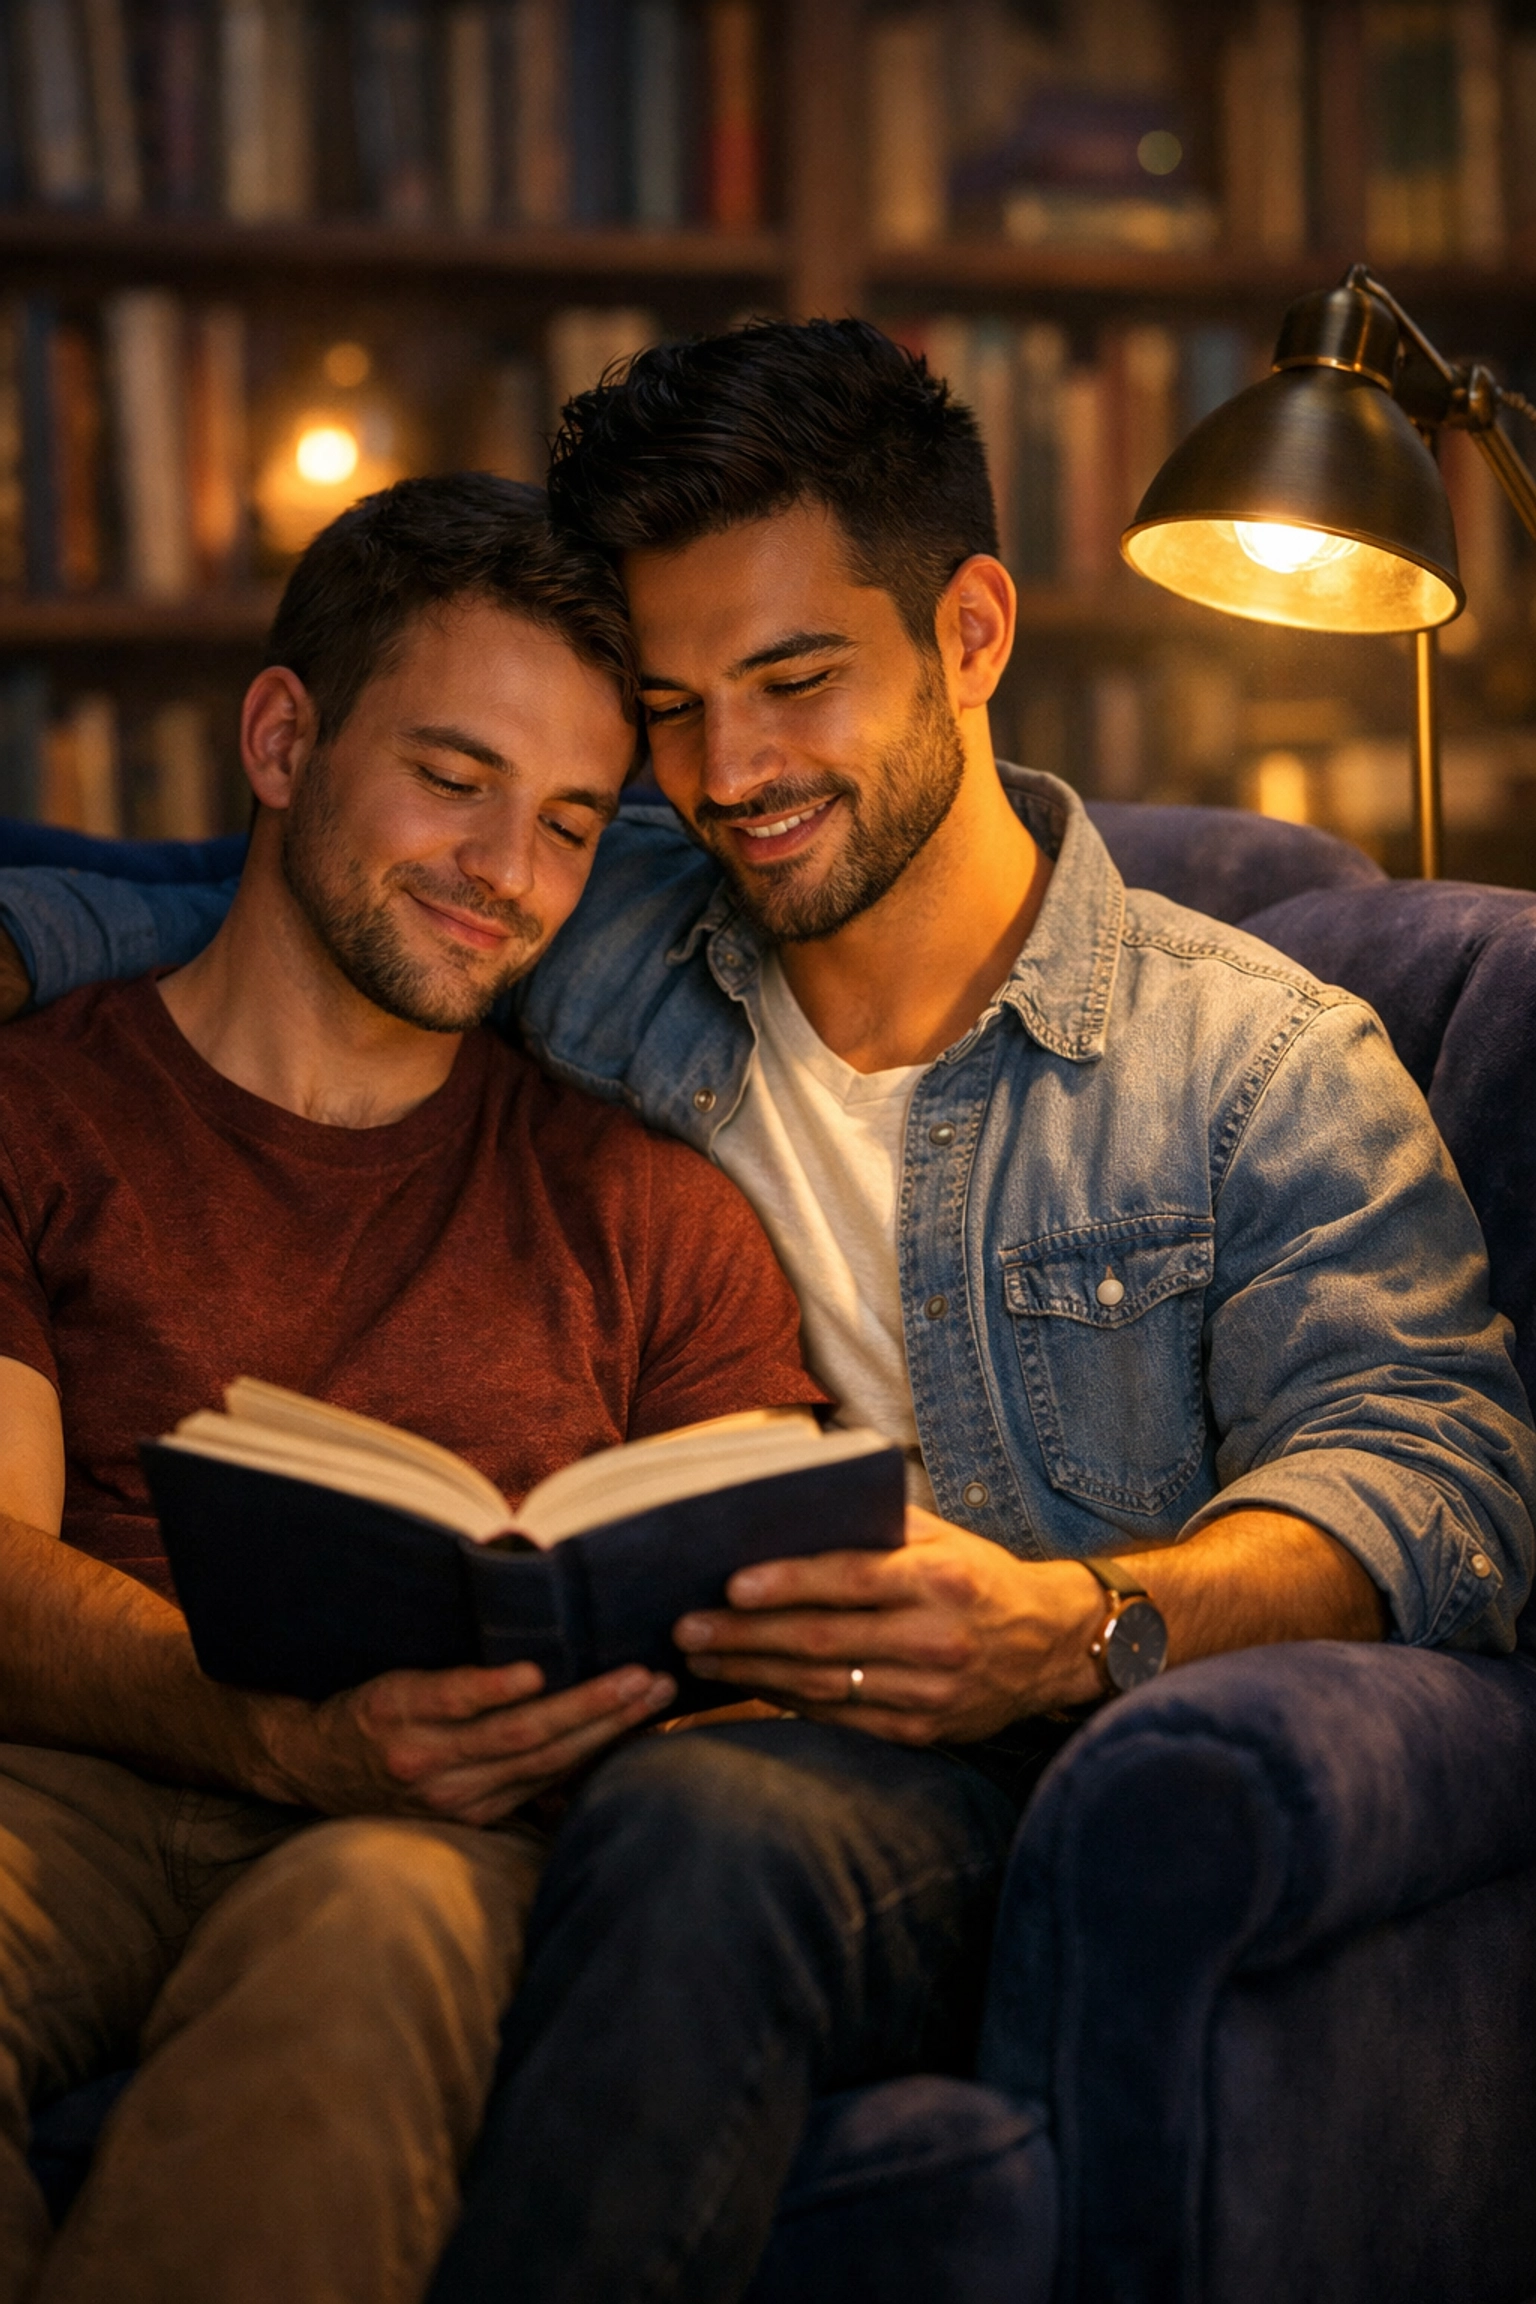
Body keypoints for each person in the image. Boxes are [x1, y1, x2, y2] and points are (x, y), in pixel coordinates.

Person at [0, 323, 1531, 2304]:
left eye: (797, 682)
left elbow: (1440, 1474)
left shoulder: (1252, 1064)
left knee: (687, 1823)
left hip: (1034, 1773)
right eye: (675, 712)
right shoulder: (611, 918)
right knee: (669, 1804)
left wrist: (1081, 1627)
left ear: (971, 630)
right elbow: (291, 891)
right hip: (728, 1732)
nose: (730, 778)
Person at [0, 473, 829, 2304]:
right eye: (452, 783)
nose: (504, 876)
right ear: (285, 737)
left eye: (564, 823)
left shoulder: (655, 1214)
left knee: (367, 1931)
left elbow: (752, 1633)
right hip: (69, 1783)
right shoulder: (38, 1110)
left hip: (436, 1844)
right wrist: (263, 1733)